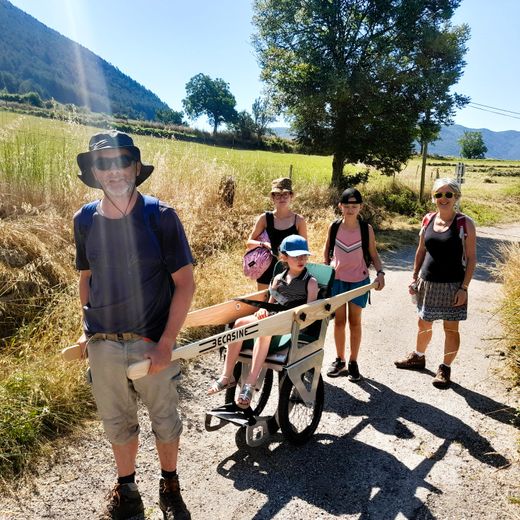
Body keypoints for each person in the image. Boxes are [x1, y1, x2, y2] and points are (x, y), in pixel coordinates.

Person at [73, 131, 195, 520]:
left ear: (136, 167)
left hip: (151, 341)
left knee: (164, 419)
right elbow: (86, 277)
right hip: (104, 343)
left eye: (121, 161)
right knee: (117, 423)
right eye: (103, 163)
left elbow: (185, 283)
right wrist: (86, 328)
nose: (114, 170)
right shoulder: (84, 219)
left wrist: (166, 343)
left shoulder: (159, 217)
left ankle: (169, 485)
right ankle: (128, 492)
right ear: (94, 171)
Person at [208, 234, 319, 408]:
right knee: (238, 324)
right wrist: (262, 311)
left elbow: (310, 312)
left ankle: (249, 385)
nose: (301, 259)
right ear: (284, 257)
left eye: (304, 256)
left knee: (264, 331)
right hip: (272, 317)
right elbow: (270, 304)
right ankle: (226, 376)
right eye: (296, 256)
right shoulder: (278, 279)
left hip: (291, 324)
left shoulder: (310, 282)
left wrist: (289, 318)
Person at [394, 178, 476, 388]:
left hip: (452, 285)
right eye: (439, 194)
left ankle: (445, 369)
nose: (443, 198)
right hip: (427, 282)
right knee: (423, 323)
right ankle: (418, 357)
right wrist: (414, 276)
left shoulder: (464, 223)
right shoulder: (428, 219)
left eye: (448, 194)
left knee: (451, 329)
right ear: (434, 198)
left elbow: (472, 258)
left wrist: (464, 288)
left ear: (456, 197)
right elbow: (421, 250)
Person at [323, 188, 385, 382]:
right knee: (339, 322)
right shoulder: (334, 227)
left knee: (355, 322)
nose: (350, 210)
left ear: (360, 207)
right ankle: (340, 360)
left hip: (359, 281)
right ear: (340, 206)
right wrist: (326, 273)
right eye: (347, 206)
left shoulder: (366, 229)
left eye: (354, 206)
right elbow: (327, 252)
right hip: (338, 281)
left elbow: (373, 254)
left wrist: (381, 273)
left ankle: (353, 362)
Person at [246, 177, 308, 290]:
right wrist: (263, 244)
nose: (282, 198)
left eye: (285, 194)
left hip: (291, 269)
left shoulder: (299, 220)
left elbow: (304, 249)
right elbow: (249, 243)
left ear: (291, 196)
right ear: (273, 197)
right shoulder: (264, 218)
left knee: (286, 304)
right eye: (278, 195)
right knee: (264, 302)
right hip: (266, 267)